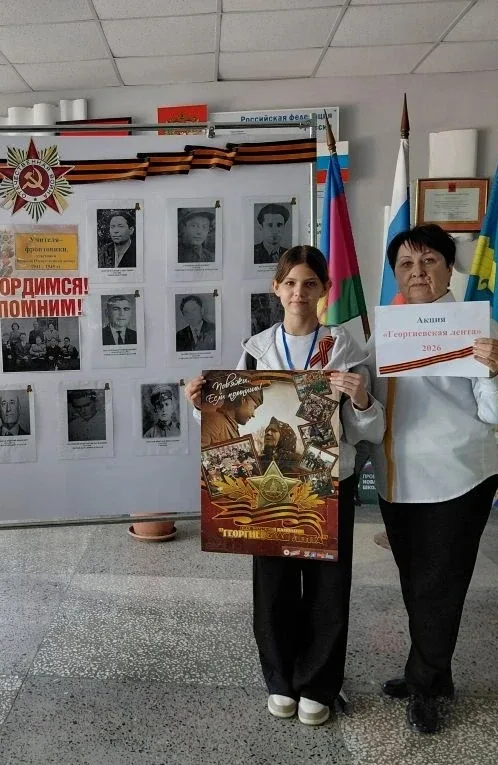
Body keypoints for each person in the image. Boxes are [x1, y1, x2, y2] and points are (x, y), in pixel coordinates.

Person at [186, 245, 385, 728]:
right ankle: (279, 678)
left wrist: (361, 401)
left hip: (327, 483)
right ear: (276, 288)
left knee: (327, 587)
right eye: (291, 283)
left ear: (325, 290)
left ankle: (318, 683)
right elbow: (233, 419)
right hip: (267, 485)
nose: (300, 292)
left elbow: (369, 432)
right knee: (272, 586)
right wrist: (199, 403)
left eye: (310, 283)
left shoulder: (346, 351)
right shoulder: (256, 350)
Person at [369, 224, 498, 734]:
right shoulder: (384, 330)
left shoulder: (479, 328)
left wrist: (496, 370)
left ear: (447, 268)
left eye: (429, 261)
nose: (417, 272)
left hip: (458, 477)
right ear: (396, 274)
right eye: (406, 264)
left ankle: (425, 685)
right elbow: (366, 401)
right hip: (397, 478)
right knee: (416, 582)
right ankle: (434, 674)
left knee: (441, 585)